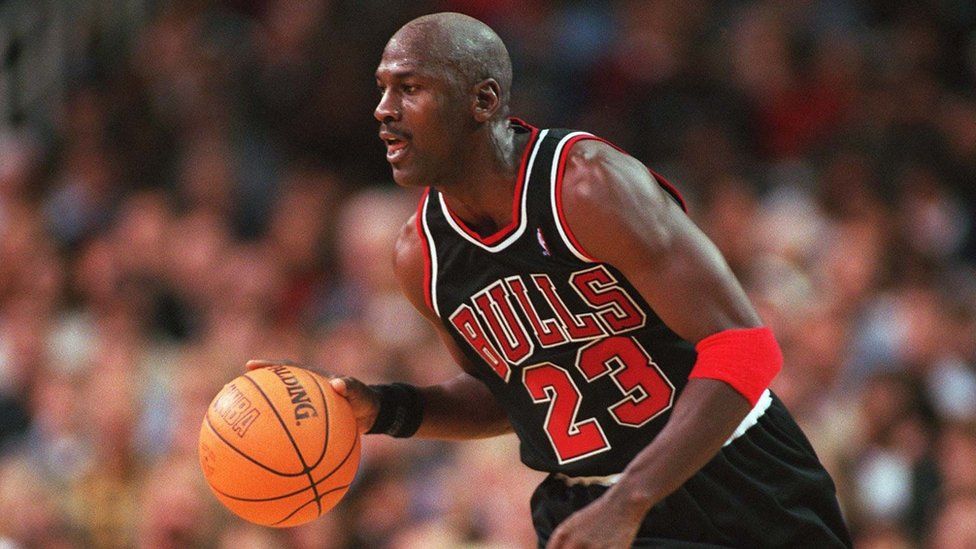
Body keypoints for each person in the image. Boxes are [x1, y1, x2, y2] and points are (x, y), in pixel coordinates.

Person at [249, 12, 852, 548]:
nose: (384, 109)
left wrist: (630, 500)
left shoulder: (586, 188)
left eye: (410, 88)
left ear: (483, 102)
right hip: (588, 502)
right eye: (382, 89)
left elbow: (744, 349)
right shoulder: (421, 255)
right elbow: (508, 398)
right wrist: (382, 408)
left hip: (733, 475)